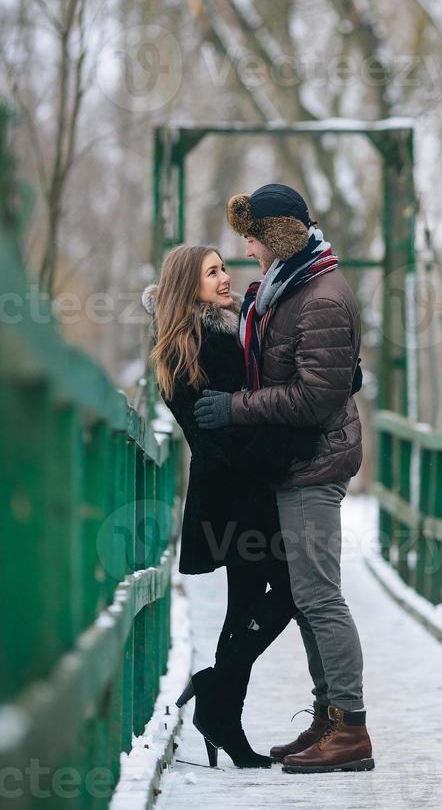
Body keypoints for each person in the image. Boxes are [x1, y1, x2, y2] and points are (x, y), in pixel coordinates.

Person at [193, 184, 374, 774]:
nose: (246, 245)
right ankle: (328, 719)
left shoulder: (317, 293)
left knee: (319, 597)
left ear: (280, 236)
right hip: (294, 459)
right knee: (306, 597)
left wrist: (235, 407)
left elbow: (317, 396)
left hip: (313, 460)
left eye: (254, 236)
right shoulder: (286, 286)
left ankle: (350, 727)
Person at [143, 243, 320, 769]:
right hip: (232, 492)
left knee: (244, 604)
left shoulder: (227, 332)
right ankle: (216, 694)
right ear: (186, 286)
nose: (225, 278)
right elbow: (211, 430)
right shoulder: (187, 347)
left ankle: (224, 719)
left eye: (224, 268)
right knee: (292, 588)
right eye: (212, 272)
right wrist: (288, 447)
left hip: (243, 488)